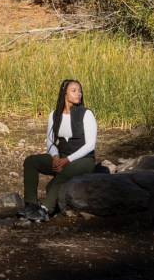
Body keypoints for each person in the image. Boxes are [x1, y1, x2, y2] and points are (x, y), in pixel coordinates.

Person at [20, 78, 97, 221]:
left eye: (80, 91)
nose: (78, 94)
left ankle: (44, 209)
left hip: (84, 160)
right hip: (61, 156)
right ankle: (30, 204)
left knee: (65, 171)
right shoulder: (54, 115)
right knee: (31, 161)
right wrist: (55, 157)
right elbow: (50, 141)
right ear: (64, 94)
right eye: (73, 91)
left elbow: (90, 145)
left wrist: (67, 160)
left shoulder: (86, 114)